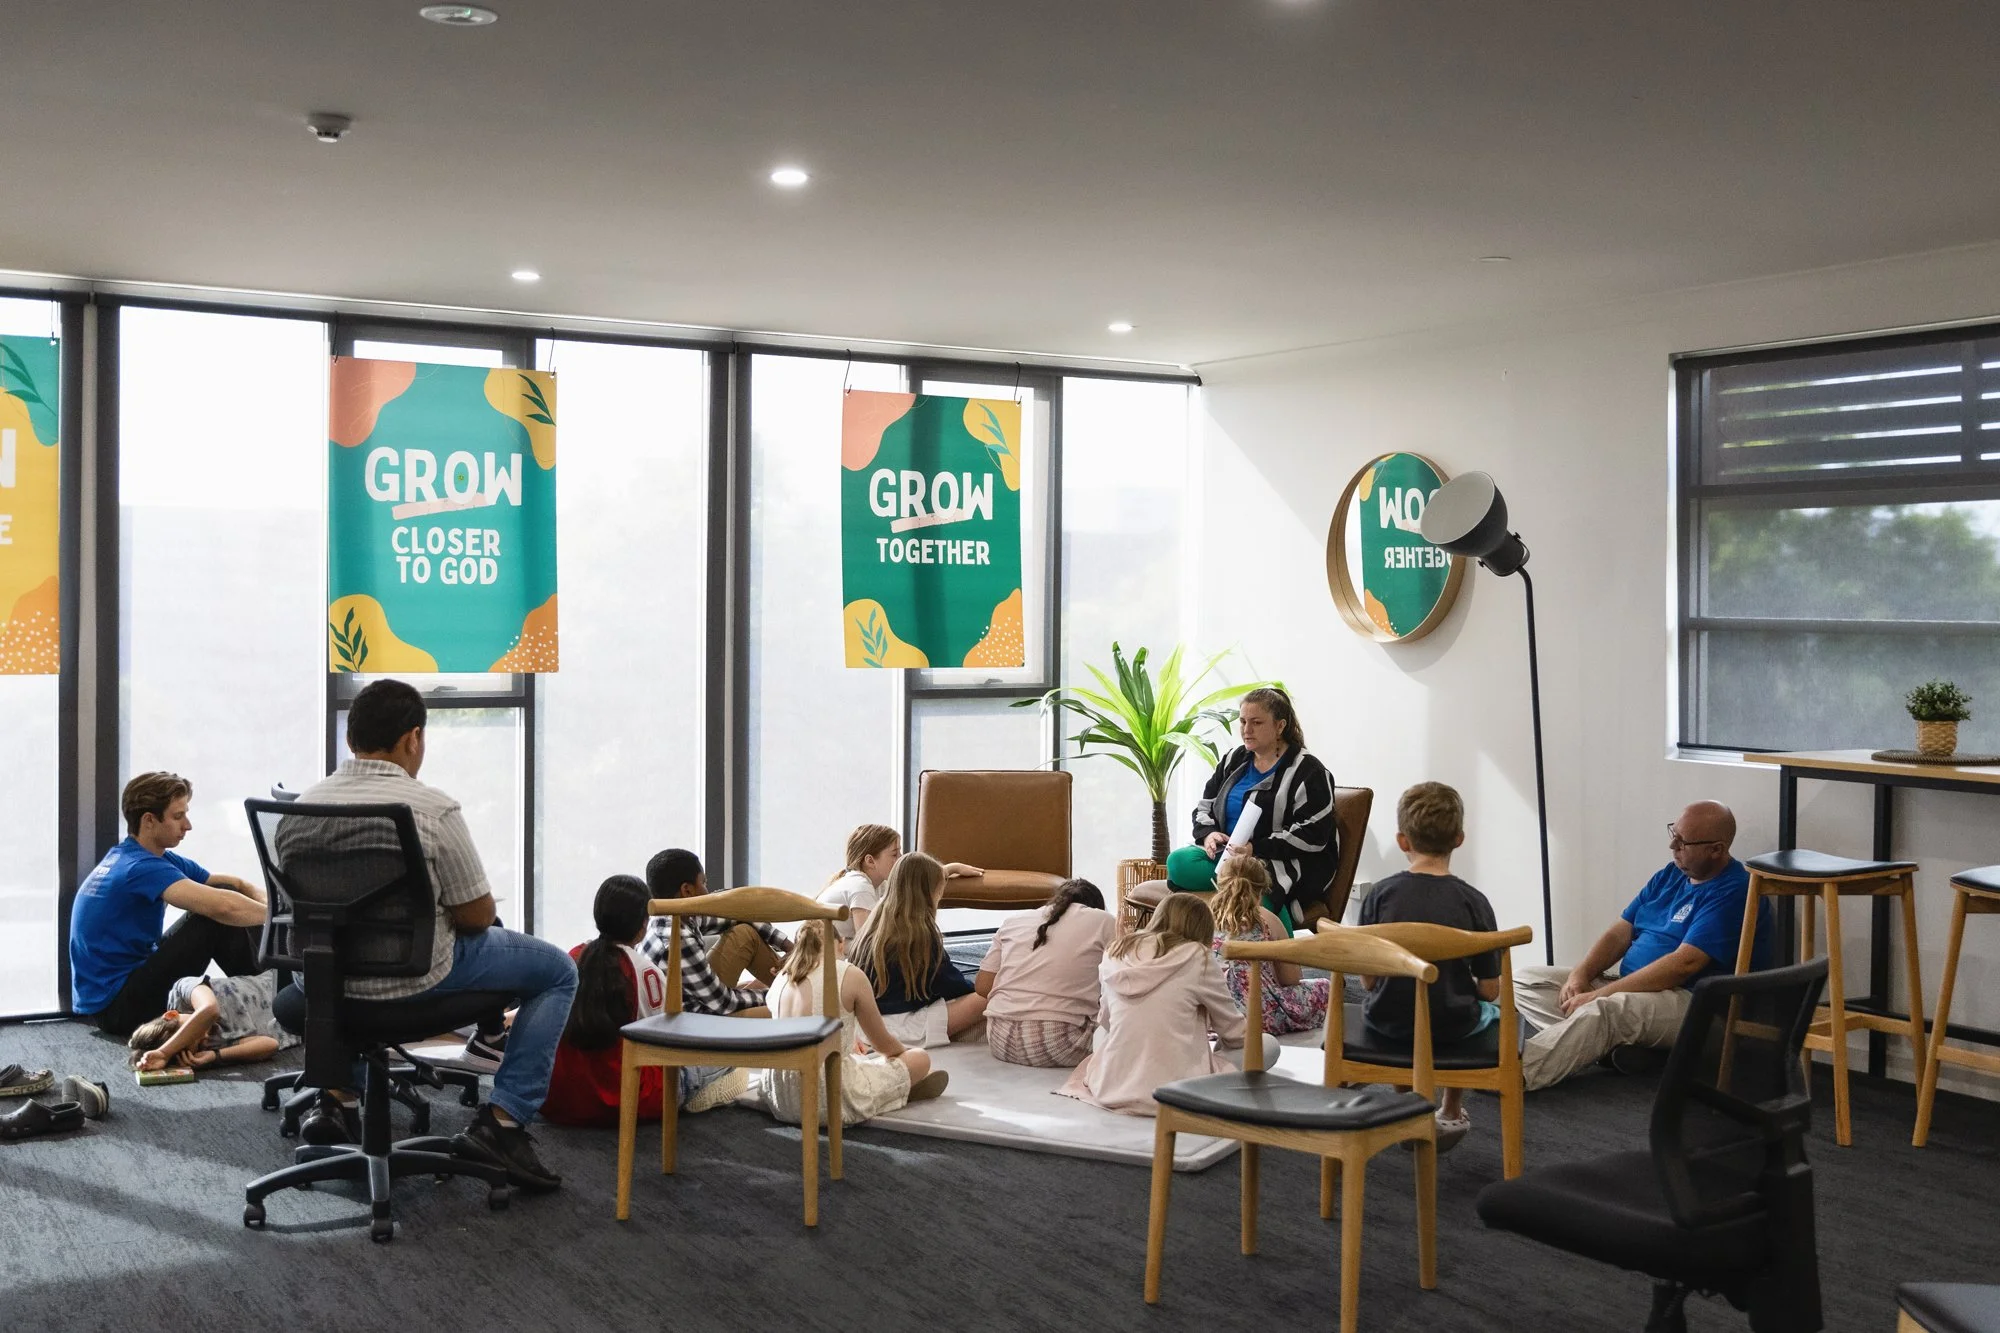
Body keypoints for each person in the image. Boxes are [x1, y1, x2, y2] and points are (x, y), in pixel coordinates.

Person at [287, 678, 577, 1191]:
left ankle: (339, 1097)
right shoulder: (431, 809)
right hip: (415, 979)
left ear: (352, 739)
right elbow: (476, 916)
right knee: (558, 971)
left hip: (323, 982)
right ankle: (503, 1122)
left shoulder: (301, 809)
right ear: (413, 738)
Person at [1515, 800, 1772, 1091]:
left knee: (1606, 1010)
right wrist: (1579, 975)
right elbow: (1619, 933)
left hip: (1696, 1005)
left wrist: (1599, 995)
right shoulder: (1670, 875)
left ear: (1716, 849)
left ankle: (1516, 1073)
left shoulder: (1735, 891)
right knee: (1526, 981)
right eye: (1673, 834)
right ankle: (1613, 1047)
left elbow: (1683, 965)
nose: (1672, 846)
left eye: (1683, 842)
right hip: (1635, 989)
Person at [1356, 782, 1501, 1151]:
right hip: (1453, 1026)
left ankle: (1406, 1104)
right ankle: (1450, 1109)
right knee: (1489, 1011)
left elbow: (1368, 982)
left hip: (1388, 1023)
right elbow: (1489, 990)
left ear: (1402, 841)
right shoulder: (1475, 902)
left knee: (1389, 999)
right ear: (1459, 839)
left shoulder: (1379, 896)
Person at [69, 772, 269, 1037]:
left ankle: (271, 989)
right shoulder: (139, 868)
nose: (188, 825)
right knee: (212, 917)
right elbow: (223, 907)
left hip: (123, 991)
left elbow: (234, 884)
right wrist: (287, 918)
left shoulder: (141, 857)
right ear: (149, 820)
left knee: (226, 895)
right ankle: (273, 996)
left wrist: (278, 905)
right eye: (178, 816)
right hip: (119, 1010)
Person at [542, 875, 740, 1128]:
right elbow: (667, 1044)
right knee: (729, 1056)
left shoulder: (572, 958)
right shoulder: (645, 972)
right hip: (630, 1098)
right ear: (643, 924)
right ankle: (698, 1094)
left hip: (563, 1097)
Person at [1059, 893, 1258, 1116]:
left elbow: (1106, 1020)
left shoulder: (1115, 950)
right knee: (1266, 1046)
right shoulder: (1199, 955)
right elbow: (1234, 1032)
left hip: (1111, 1088)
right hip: (1180, 1090)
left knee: (1102, 1033)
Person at [1162, 687, 1337, 929]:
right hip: (1229, 856)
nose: (1246, 729)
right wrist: (1209, 834)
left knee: (1254, 896)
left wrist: (1255, 848)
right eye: (1243, 721)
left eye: (1256, 722)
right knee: (1178, 862)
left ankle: (1274, 920)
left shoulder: (1308, 771)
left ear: (1280, 726)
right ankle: (1237, 887)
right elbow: (1205, 805)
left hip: (1277, 862)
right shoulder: (1234, 759)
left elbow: (1314, 834)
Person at [753, 911, 947, 1125]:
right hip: (827, 1097)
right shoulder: (849, 973)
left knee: (859, 1060)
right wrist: (902, 1056)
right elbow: (884, 1045)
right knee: (919, 1058)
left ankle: (895, 1089)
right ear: (841, 944)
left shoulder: (783, 977)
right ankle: (898, 1090)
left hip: (780, 1095)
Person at [850, 852, 987, 1048]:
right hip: (905, 1028)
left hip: (866, 1025)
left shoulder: (873, 925)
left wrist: (952, 868)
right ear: (930, 894)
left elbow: (912, 875)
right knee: (987, 997)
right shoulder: (921, 936)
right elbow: (955, 987)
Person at [975, 878, 1117, 1068]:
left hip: (999, 1039)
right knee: (1126, 1025)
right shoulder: (1105, 921)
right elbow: (1124, 979)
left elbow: (983, 986)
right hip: (1060, 1042)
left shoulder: (1013, 921)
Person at [641, 848, 790, 1017]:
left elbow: (737, 915)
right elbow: (725, 1003)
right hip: (693, 1019)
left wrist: (787, 945)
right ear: (687, 890)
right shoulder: (677, 940)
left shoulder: (674, 916)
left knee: (745, 933)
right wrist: (778, 994)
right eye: (704, 883)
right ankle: (797, 992)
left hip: (700, 998)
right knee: (787, 1010)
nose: (707, 890)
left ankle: (796, 984)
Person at [1210, 854, 1332, 1036]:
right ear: (1262, 890)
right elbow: (1290, 979)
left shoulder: (1205, 920)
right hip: (1260, 1014)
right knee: (1325, 986)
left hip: (1216, 1013)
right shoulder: (1267, 920)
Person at [817, 823, 981, 943]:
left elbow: (912, 881)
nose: (901, 858)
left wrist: (951, 869)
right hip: (826, 959)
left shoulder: (876, 883)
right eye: (894, 854)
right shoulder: (861, 888)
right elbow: (865, 943)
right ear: (870, 861)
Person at [127, 971, 299, 1071]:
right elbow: (270, 1044)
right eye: (196, 1045)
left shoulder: (182, 993)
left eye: (191, 1033)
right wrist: (215, 1056)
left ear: (171, 1015)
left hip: (292, 980)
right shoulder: (209, 1043)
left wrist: (164, 1052)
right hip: (300, 1017)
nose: (202, 1037)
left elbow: (210, 1009)